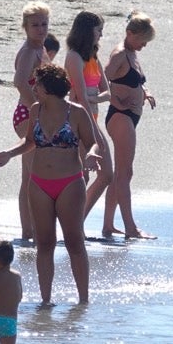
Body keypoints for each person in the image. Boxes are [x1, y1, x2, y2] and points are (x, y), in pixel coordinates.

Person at [0, 64, 101, 305]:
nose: (35, 88)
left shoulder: (77, 112)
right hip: (39, 183)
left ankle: (83, 301)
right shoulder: (35, 110)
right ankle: (45, 301)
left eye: (38, 84)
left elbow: (93, 143)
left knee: (74, 242)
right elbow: (30, 141)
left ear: (49, 87)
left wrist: (91, 155)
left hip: (70, 183)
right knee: (45, 243)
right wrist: (9, 154)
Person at [102, 12, 158, 241]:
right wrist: (115, 100)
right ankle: (130, 228)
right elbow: (101, 80)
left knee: (122, 173)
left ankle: (107, 226)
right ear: (129, 33)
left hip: (130, 116)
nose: (144, 45)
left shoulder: (132, 53)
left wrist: (145, 92)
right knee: (126, 173)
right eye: (142, 40)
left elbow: (132, 80)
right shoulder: (119, 54)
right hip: (120, 116)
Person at [64, 11, 114, 219]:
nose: (101, 35)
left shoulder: (93, 58)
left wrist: (95, 98)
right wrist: (94, 134)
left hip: (92, 117)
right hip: (78, 122)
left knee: (106, 174)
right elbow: (80, 98)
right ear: (87, 31)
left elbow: (107, 93)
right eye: (98, 31)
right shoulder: (74, 57)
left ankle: (77, 220)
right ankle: (74, 224)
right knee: (82, 176)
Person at [10, 2, 53, 244]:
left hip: (38, 114)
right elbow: (19, 82)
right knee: (30, 176)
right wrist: (39, 110)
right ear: (25, 27)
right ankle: (28, 230)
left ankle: (34, 228)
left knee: (35, 174)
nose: (40, 29)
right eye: (35, 25)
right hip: (27, 115)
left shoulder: (41, 48)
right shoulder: (28, 51)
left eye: (44, 24)